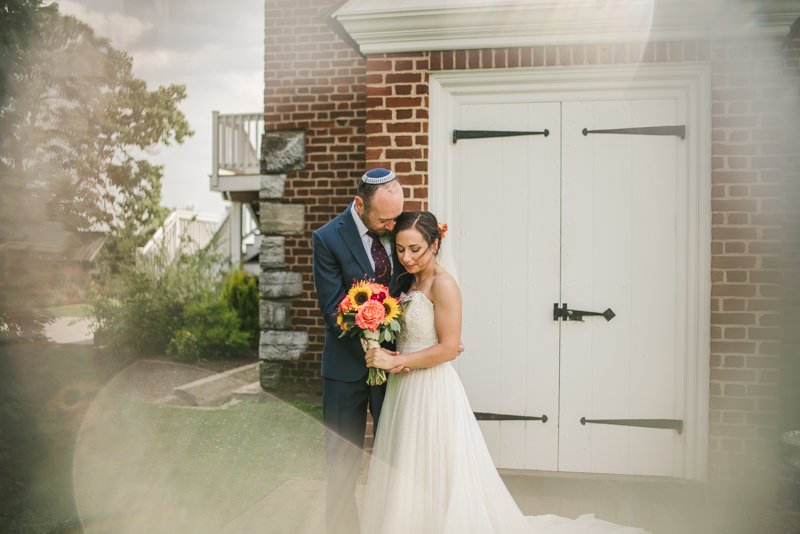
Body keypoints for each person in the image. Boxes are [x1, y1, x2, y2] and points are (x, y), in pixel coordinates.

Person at [362, 211, 649, 534]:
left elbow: (447, 349)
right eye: (400, 249)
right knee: (408, 466)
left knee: (433, 465)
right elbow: (422, 338)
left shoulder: (444, 285)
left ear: (435, 244)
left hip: (430, 389)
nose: (407, 257)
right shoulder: (409, 281)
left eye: (415, 249)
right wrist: (392, 355)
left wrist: (397, 361)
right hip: (406, 386)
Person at [311, 168, 414, 534]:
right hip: (345, 371)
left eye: (396, 217)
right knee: (342, 466)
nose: (392, 225)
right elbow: (332, 307)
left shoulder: (403, 227)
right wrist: (371, 346)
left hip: (399, 369)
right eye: (384, 219)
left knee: (396, 461)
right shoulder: (326, 239)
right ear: (359, 204)